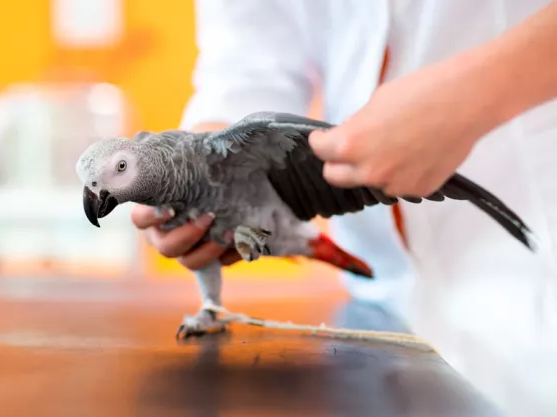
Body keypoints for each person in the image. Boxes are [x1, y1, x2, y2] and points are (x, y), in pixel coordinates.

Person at [131, 1, 557, 416]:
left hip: (535, 248)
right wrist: (209, 175)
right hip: (388, 299)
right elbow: (248, 61)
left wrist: (477, 92)